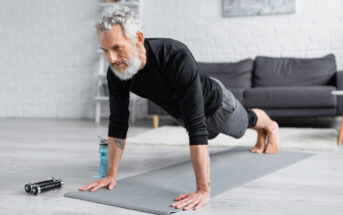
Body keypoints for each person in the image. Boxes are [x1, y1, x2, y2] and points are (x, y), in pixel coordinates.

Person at [80, 5, 279, 211]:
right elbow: (118, 122)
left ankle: (269, 125)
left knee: (241, 127)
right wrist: (110, 175)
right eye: (105, 50)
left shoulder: (174, 55)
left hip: (216, 104)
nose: (111, 59)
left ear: (138, 38)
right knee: (209, 135)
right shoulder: (118, 73)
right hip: (183, 112)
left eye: (117, 48)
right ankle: (260, 129)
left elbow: (196, 126)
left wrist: (203, 189)